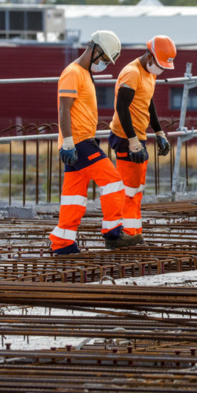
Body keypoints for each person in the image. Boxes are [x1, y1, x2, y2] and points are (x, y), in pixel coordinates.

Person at [49, 30, 140, 254]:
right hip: (79, 142)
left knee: (74, 196)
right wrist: (69, 142)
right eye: (104, 59)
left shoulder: (85, 73)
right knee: (114, 182)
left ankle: (63, 244)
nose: (104, 64)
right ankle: (113, 232)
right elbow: (64, 109)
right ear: (94, 49)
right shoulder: (72, 73)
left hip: (80, 141)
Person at [108, 35, 176, 244]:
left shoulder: (149, 74)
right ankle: (122, 236)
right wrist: (132, 141)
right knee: (127, 189)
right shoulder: (131, 73)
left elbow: (148, 103)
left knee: (136, 189)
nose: (161, 70)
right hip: (125, 137)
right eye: (159, 65)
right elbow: (122, 109)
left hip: (138, 136)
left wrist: (158, 132)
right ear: (149, 57)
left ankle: (134, 233)